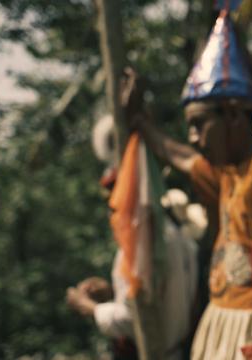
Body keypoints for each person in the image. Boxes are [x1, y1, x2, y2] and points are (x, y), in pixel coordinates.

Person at [122, 3, 252, 359]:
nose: (193, 137)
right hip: (222, 324)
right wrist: (142, 124)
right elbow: (183, 157)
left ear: (233, 115)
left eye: (199, 124)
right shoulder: (228, 173)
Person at [67, 115, 205, 360]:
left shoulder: (144, 243)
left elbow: (133, 320)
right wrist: (112, 293)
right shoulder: (174, 235)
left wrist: (89, 307)